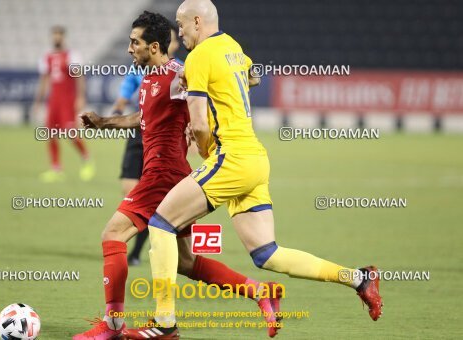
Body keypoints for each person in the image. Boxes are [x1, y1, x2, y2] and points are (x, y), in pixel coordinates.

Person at [125, 0, 383, 338]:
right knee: (267, 254)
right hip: (255, 159)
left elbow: (199, 124)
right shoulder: (233, 47)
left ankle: (164, 324)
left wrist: (204, 150)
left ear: (198, 22)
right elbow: (251, 76)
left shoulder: (199, 57)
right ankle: (359, 278)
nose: (180, 32)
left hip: (229, 157)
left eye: (182, 24)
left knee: (160, 223)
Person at [72, 11, 282, 340]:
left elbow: (223, 89)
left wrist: (201, 131)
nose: (129, 49)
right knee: (186, 262)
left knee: (112, 235)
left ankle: (113, 325)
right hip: (171, 174)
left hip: (162, 175)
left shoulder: (177, 75)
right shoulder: (151, 77)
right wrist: (104, 122)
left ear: (154, 47)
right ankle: (259, 292)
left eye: (135, 43)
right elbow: (144, 118)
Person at [113, 28, 181, 266]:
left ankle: (135, 253)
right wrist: (115, 113)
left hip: (163, 146)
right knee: (130, 192)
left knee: (152, 202)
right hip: (137, 137)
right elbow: (127, 91)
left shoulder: (180, 72)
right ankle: (138, 241)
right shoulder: (140, 69)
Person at [33, 25, 95, 183]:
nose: (56, 38)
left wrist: (80, 97)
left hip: (68, 99)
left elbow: (79, 77)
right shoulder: (47, 57)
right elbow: (44, 81)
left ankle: (86, 159)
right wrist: (38, 102)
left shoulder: (71, 56)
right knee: (50, 133)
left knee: (70, 132)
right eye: (54, 35)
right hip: (54, 100)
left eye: (59, 35)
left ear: (63, 37)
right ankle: (56, 169)